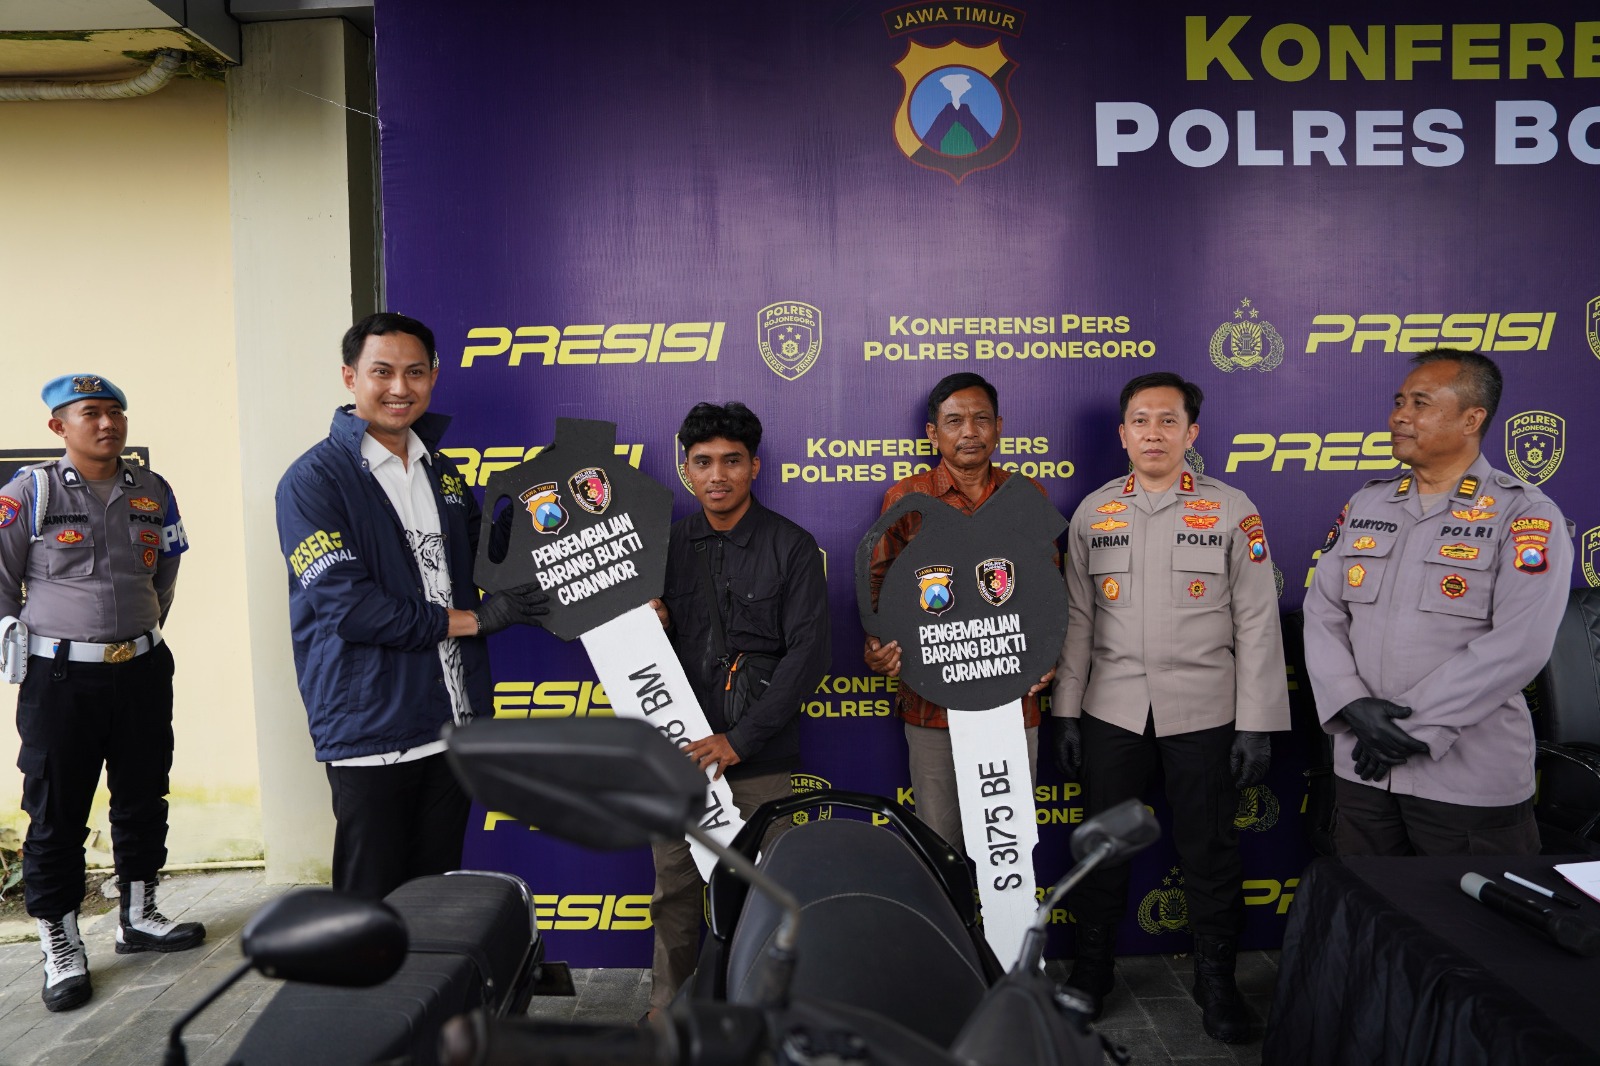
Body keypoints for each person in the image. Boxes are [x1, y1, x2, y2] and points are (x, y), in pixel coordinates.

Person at [275, 313, 548, 901]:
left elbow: (486, 560)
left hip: (452, 725)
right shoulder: (314, 480)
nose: (400, 388)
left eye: (415, 373)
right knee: (370, 906)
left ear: (433, 378)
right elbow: (350, 607)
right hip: (373, 730)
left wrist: (553, 506)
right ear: (350, 377)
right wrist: (472, 621)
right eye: (383, 372)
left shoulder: (440, 472)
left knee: (436, 901)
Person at [1052, 371, 1288, 1042]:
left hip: (1205, 712)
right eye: (1141, 421)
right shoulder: (1093, 512)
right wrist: (1066, 711)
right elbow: (1077, 620)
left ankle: (1217, 984)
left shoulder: (1232, 508)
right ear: (1122, 434)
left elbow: (1258, 620)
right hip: (1112, 709)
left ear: (1191, 433)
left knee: (1210, 852)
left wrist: (1257, 725)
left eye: (1167, 420)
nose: (1153, 433)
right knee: (1101, 848)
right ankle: (1091, 973)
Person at [1302, 348, 1571, 857]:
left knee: (1471, 910)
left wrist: (1404, 728)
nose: (1399, 416)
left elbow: (1520, 644)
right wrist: (1351, 704)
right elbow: (1323, 613)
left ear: (1472, 419)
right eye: (1399, 402)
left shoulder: (1524, 513)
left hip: (1466, 778)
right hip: (1361, 769)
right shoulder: (1367, 502)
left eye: (1420, 403)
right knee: (1366, 903)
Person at [0, 374, 204, 1012]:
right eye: (91, 413)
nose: (108, 423)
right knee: (57, 812)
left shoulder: (153, 490)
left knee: (143, 794)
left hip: (142, 669)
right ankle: (60, 945)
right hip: (61, 679)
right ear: (58, 426)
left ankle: (139, 916)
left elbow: (165, 571)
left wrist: (139, 633)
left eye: (116, 412)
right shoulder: (29, 493)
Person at [645, 401, 829, 1019]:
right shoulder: (665, 547)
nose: (717, 475)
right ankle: (669, 1013)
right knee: (674, 893)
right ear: (686, 470)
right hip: (678, 753)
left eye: (731, 460)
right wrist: (653, 626)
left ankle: (759, 1016)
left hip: (760, 759)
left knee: (762, 895)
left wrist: (739, 740)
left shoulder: (792, 547)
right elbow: (646, 649)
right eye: (703, 462)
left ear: (755, 466)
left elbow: (808, 657)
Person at [864, 372, 1054, 852]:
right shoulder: (906, 499)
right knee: (939, 844)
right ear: (933, 433)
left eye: (981, 419)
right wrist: (876, 644)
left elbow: (1049, 590)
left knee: (1009, 846)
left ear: (999, 427)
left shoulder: (1026, 495)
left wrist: (1048, 655)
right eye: (954, 421)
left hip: (1013, 697)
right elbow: (878, 587)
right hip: (933, 704)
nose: (969, 431)